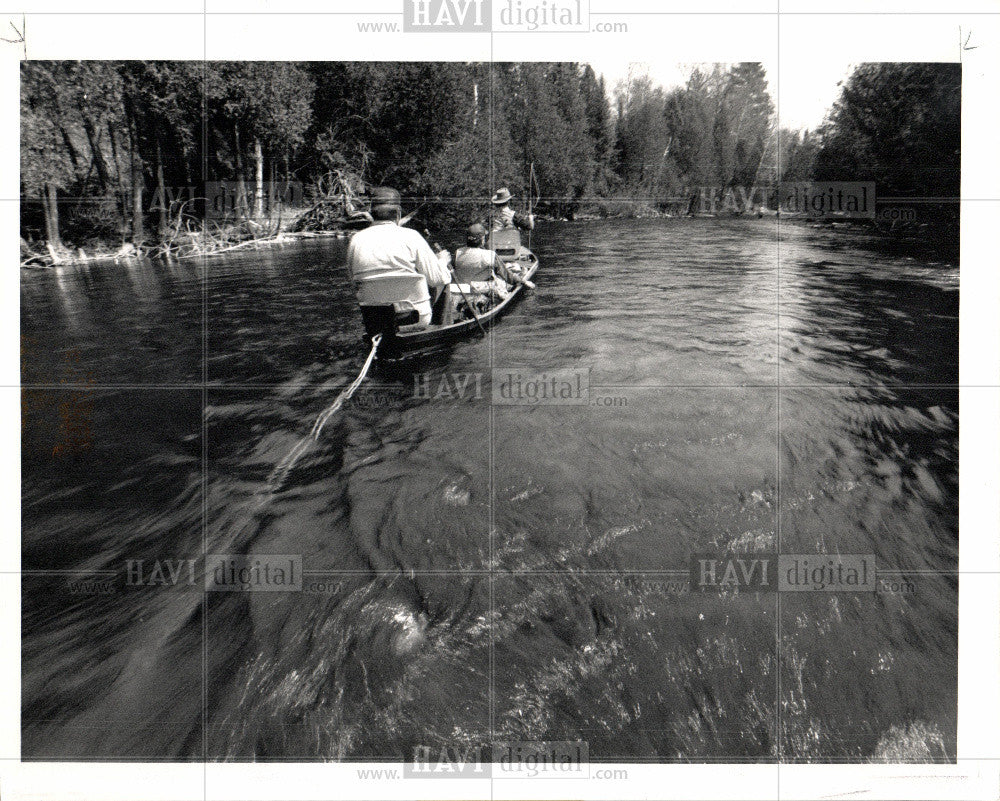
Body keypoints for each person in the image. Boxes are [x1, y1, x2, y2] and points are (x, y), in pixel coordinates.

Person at [346, 186, 451, 289]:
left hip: (370, 306)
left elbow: (354, 282)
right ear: (398, 213)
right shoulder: (412, 236)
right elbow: (437, 279)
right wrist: (442, 261)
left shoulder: (356, 239)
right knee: (443, 279)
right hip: (413, 306)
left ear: (371, 212)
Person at [453, 223, 517, 285]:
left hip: (463, 287)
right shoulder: (490, 255)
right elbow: (506, 275)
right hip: (481, 289)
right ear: (482, 239)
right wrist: (520, 281)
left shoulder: (458, 252)